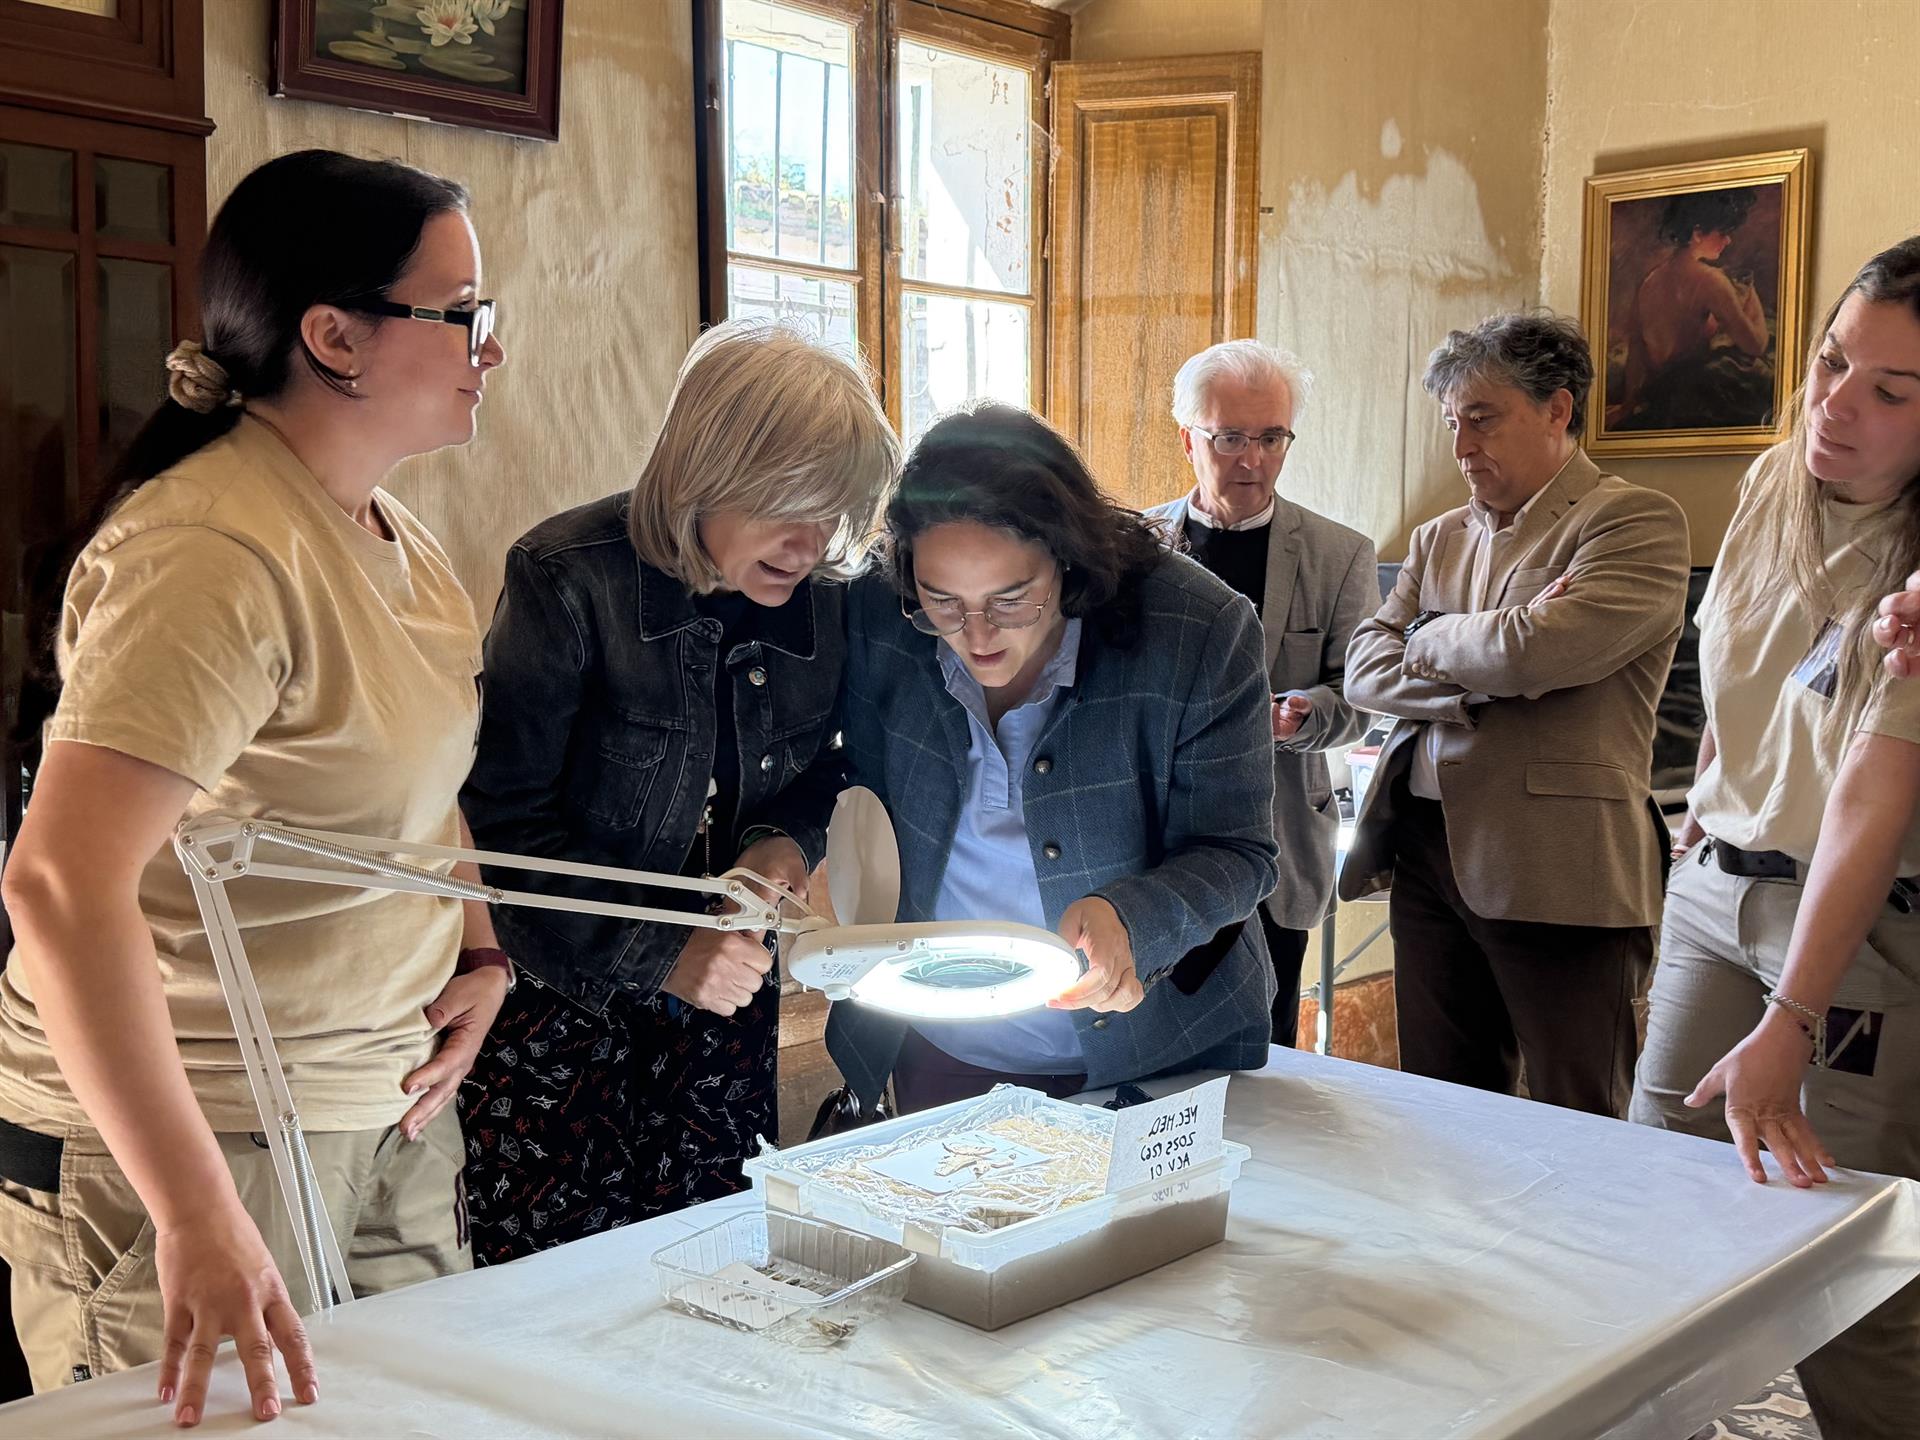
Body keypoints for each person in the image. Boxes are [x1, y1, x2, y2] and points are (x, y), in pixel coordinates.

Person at [0, 150, 508, 1426]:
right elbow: (61, 884)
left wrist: (481, 950)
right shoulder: (212, 550)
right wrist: (189, 1209)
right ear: (334, 335)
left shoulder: (396, 538)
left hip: (376, 1105)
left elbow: (418, 785)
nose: (488, 350)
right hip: (204, 1131)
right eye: (463, 315)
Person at [456, 320, 898, 1260]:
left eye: (834, 512)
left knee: (717, 1274)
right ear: (706, 464)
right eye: (787, 504)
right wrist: (662, 953)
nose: (810, 541)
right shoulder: (568, 577)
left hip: (724, 1013)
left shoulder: (828, 596)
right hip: (565, 1013)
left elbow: (832, 760)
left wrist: (785, 837)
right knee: (557, 1306)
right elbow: (500, 831)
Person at [1630, 236, 1920, 1440]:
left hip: (1845, 928)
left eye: (1890, 392)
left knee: (1841, 1263)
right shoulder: (1770, 482)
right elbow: (1737, 668)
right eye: (1829, 362)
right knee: (1653, 1202)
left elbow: (1870, 794)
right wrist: (1720, 788)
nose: (1836, 405)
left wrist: (1794, 1017)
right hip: (1712, 890)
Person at [825, 404, 1280, 1114]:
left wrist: (1136, 918)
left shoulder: (1198, 631)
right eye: (942, 603)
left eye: (1011, 599)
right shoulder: (879, 614)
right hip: (945, 1040)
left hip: (1155, 1049)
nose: (976, 637)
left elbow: (1239, 849)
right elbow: (845, 779)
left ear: (1067, 560)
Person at [1343, 310, 1689, 1117]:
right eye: (1452, 424)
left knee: (1582, 1113)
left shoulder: (1632, 521)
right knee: (1443, 1107)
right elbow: (1363, 669)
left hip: (1560, 863)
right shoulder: (1437, 539)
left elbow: (1536, 653)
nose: (1462, 447)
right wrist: (1475, 665)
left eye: (1483, 419)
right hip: (1424, 850)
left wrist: (1427, 637)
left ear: (1558, 410)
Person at [1147, 340, 1378, 1046]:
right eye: (1232, 438)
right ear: (1189, 439)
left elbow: (1360, 697)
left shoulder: (1340, 555)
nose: (1253, 460)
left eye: (1272, 437)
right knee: (1150, 1035)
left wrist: (1306, 716)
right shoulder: (1134, 547)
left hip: (1277, 843)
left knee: (1267, 1044)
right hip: (1154, 846)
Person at [1610, 188, 1771, 432]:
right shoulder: (1710, 281)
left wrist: (1629, 402)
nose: (1729, 241)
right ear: (1697, 233)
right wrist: (1751, 297)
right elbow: (1755, 345)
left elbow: (1638, 347)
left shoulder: (1651, 281)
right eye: (1723, 232)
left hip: (1656, 390)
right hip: (1689, 391)